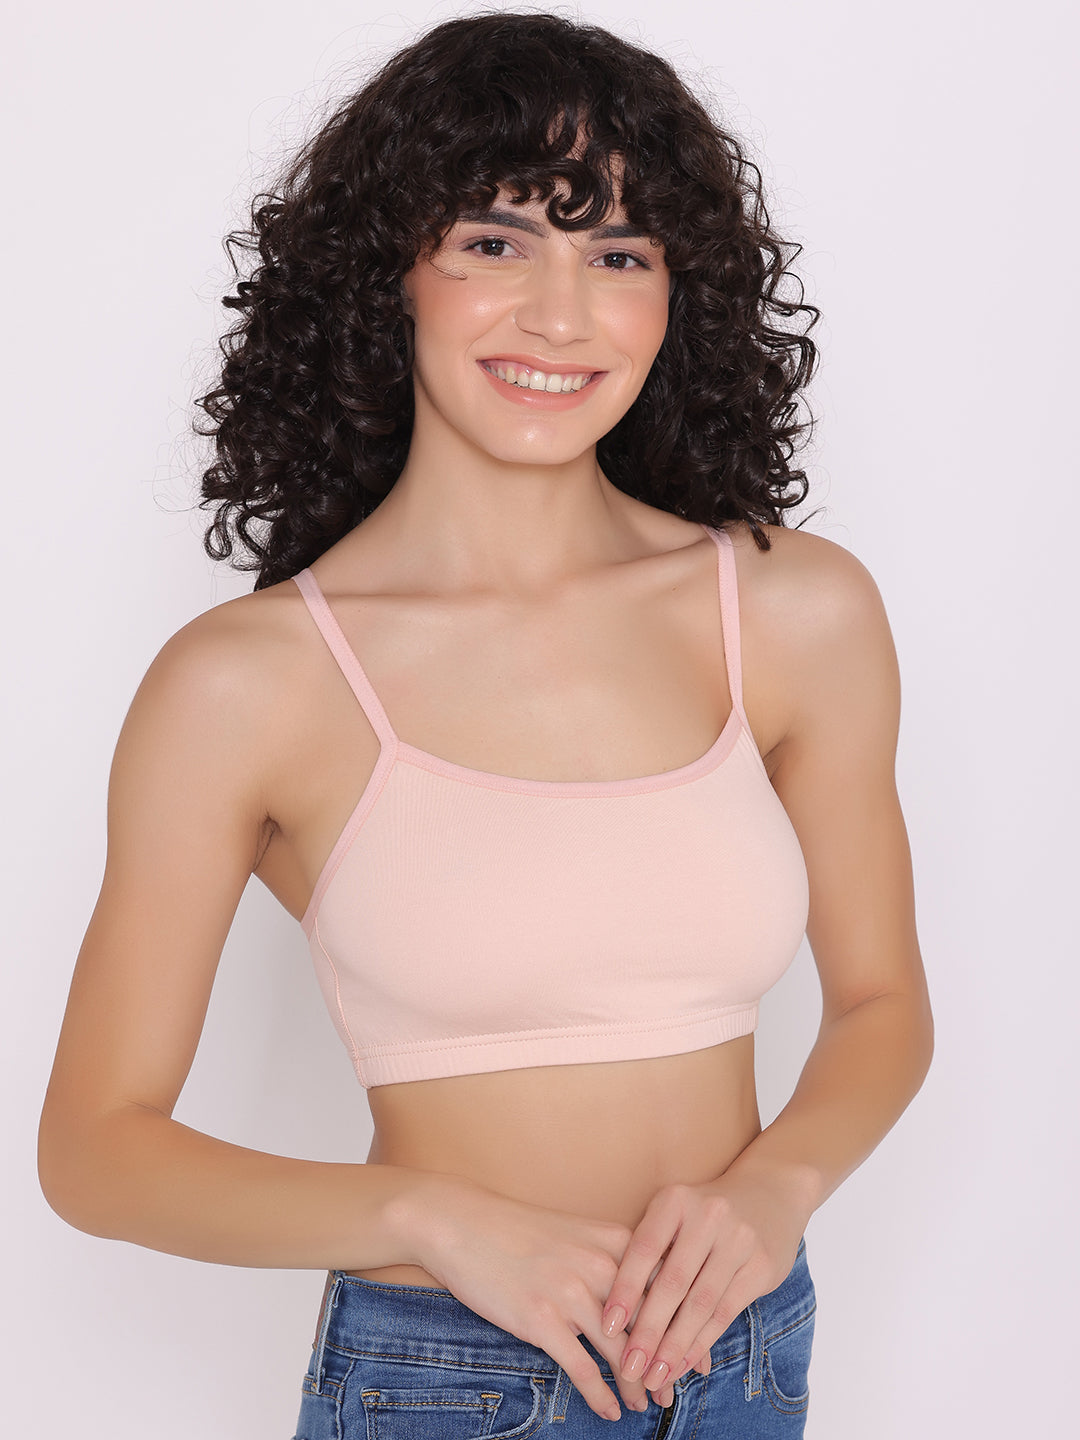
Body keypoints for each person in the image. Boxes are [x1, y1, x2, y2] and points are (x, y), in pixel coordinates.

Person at [38, 11, 933, 1436]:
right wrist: (432, 1218)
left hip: (745, 1355)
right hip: (443, 1380)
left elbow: (883, 1006)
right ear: (388, 271)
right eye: (496, 242)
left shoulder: (792, 609)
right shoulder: (251, 683)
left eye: (619, 255)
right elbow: (94, 1151)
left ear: (677, 296)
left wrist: (775, 1188)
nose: (561, 316)